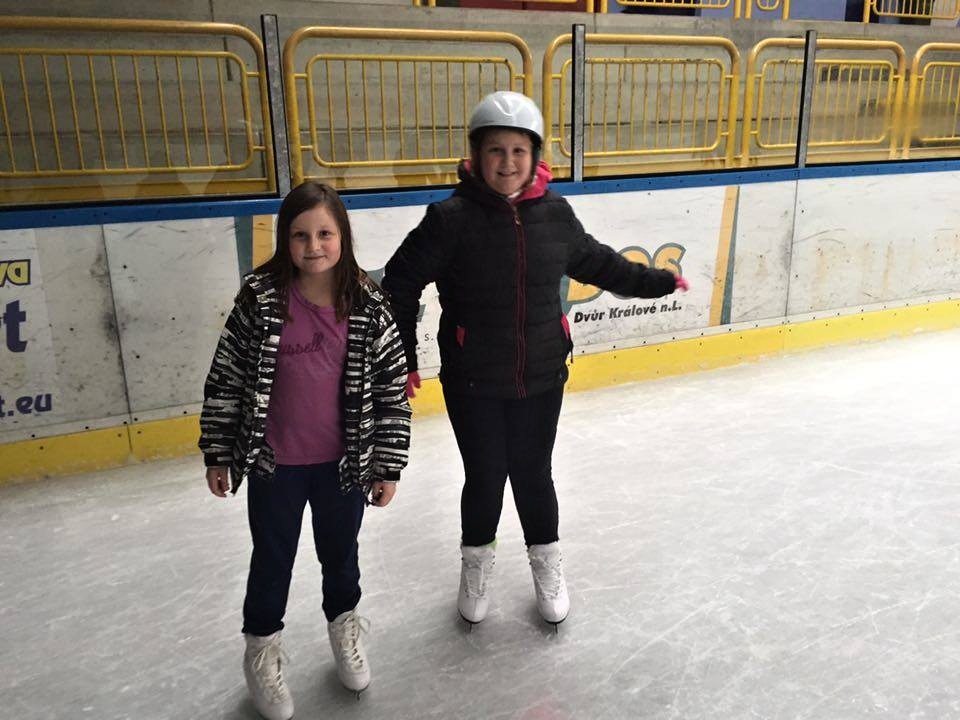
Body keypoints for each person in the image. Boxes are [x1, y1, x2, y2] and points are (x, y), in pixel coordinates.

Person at [381, 91, 688, 631]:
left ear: (535, 155)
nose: (507, 162)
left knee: (533, 473)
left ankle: (546, 565)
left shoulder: (555, 215)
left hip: (543, 375)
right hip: (473, 379)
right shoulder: (450, 219)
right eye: (495, 150)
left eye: (518, 150)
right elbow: (399, 283)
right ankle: (475, 567)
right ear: (476, 155)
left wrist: (658, 281)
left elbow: (604, 265)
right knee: (484, 476)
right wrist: (404, 357)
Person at [199, 182, 411, 719]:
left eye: (324, 234)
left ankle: (344, 629)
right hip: (276, 466)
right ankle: (261, 650)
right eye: (300, 235)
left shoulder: (368, 305)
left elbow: (391, 390)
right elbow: (227, 377)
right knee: (272, 561)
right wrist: (219, 451)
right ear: (284, 240)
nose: (313, 246)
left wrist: (387, 464)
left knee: (341, 556)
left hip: (343, 466)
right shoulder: (261, 300)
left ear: (343, 236)